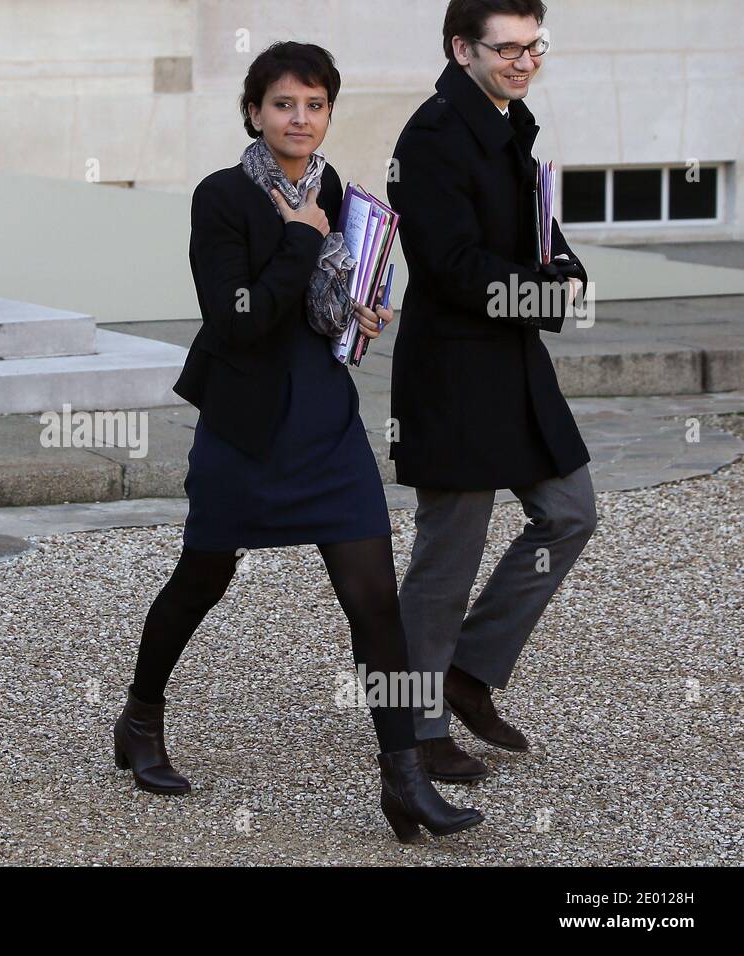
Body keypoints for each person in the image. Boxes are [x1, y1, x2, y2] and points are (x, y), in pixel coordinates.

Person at [113, 40, 483, 843]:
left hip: (324, 421)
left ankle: (403, 780)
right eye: (284, 103)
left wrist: (358, 308)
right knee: (201, 579)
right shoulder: (221, 198)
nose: (300, 119)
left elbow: (325, 294)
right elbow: (237, 319)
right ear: (254, 111)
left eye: (315, 105)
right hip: (245, 427)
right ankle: (140, 719)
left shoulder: (337, 191)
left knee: (374, 606)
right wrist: (301, 240)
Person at [386, 0, 598, 782]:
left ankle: (469, 672)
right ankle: (414, 724)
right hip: (451, 372)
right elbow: (449, 264)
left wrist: (566, 269)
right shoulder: (432, 136)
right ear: (461, 48)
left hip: (513, 365)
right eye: (506, 48)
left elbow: (534, 228)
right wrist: (545, 297)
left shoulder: (510, 118)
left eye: (533, 45)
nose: (523, 60)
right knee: (448, 558)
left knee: (572, 514)